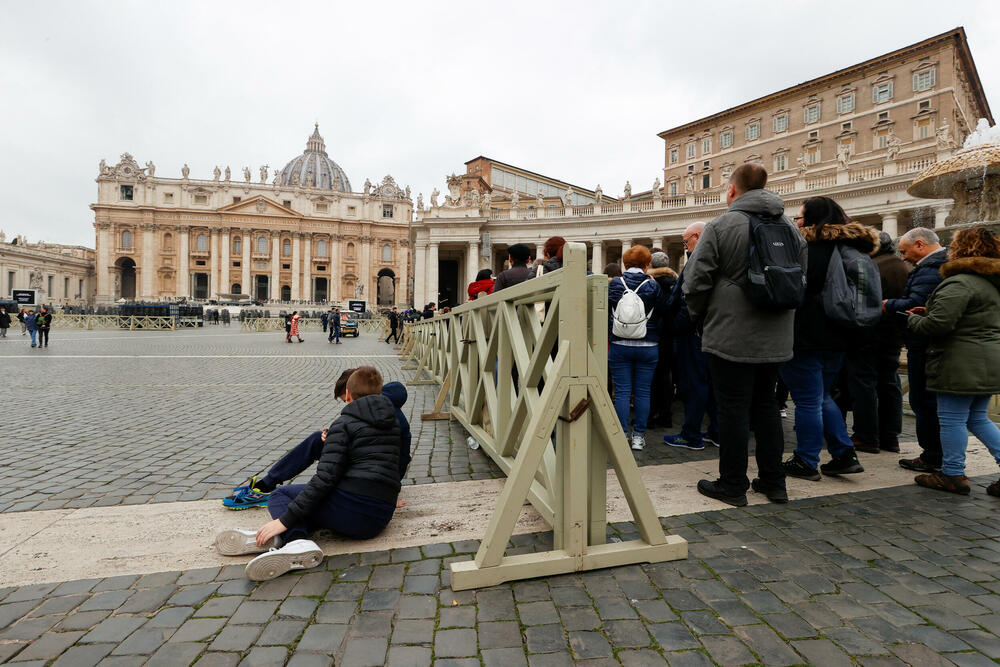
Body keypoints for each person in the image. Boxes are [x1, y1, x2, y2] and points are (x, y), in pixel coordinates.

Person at [683, 163, 806, 506]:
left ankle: (733, 484)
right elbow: (800, 280)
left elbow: (695, 282)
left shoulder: (721, 226)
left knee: (732, 409)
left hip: (730, 335)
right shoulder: (791, 229)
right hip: (777, 336)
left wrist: (701, 318)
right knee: (767, 406)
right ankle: (773, 482)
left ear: (733, 190)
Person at [215, 366, 402, 581]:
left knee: (281, 496)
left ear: (348, 394)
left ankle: (294, 540)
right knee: (312, 507)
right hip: (379, 518)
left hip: (354, 513)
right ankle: (280, 540)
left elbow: (324, 479)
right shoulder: (393, 422)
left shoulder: (344, 424)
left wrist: (283, 520)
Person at [781, 196, 876, 481]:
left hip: (807, 334)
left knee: (808, 400)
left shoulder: (811, 249)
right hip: (839, 334)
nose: (797, 222)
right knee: (822, 396)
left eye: (799, 217)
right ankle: (844, 453)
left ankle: (806, 459)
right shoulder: (853, 248)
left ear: (813, 220)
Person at [906, 227, 1000, 495]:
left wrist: (911, 318)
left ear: (962, 249)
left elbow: (939, 325)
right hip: (986, 358)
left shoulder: (960, 281)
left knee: (951, 419)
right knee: (978, 418)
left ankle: (952, 474)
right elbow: (973, 314)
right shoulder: (991, 281)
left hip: (960, 360)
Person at [884, 227, 948, 473]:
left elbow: (916, 304)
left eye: (905, 251)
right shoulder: (935, 267)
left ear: (920, 244)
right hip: (928, 344)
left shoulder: (930, 270)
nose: (904, 258)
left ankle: (932, 456)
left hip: (923, 344)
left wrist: (889, 305)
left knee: (924, 401)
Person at [846, 231, 911, 453]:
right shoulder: (903, 267)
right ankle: (890, 436)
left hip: (869, 333)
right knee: (890, 383)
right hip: (893, 335)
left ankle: (866, 435)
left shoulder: (872, 266)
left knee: (864, 384)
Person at [664, 224, 719, 450]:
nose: (684, 247)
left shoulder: (699, 261)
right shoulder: (717, 259)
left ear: (697, 237)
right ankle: (716, 432)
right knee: (711, 384)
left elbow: (690, 298)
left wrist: (676, 325)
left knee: (694, 384)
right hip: (711, 331)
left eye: (686, 242)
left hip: (693, 333)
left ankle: (691, 434)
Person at [608, 245, 662, 451]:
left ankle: (621, 435)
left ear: (625, 263)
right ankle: (639, 436)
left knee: (621, 392)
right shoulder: (653, 285)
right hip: (648, 343)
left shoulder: (615, 283)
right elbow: (663, 309)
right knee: (642, 392)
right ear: (647, 263)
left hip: (619, 343)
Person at [648, 252, 677, 429]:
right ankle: (666, 415)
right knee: (666, 377)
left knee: (650, 378)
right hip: (670, 335)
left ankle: (651, 415)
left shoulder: (652, 284)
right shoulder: (675, 282)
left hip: (654, 334)